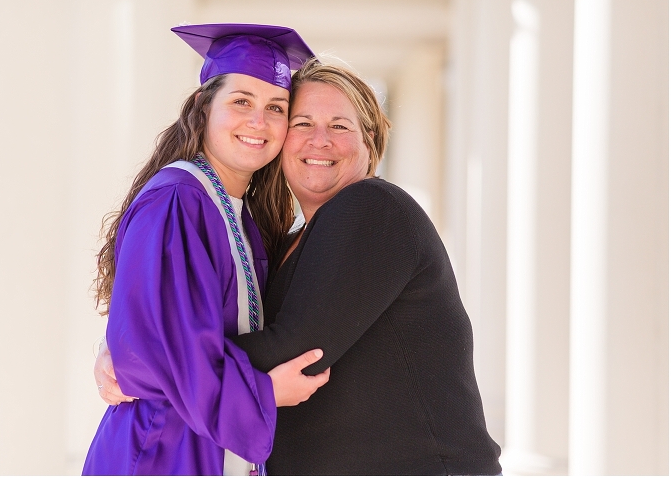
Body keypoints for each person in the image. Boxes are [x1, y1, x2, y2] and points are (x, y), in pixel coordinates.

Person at [97, 57, 502, 475]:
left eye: (340, 126)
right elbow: (217, 323)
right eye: (302, 123)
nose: (319, 140)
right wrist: (131, 344)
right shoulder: (283, 242)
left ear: (371, 142)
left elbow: (295, 346)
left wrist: (149, 360)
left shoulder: (374, 208)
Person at [82, 24, 330, 476]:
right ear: (203, 105)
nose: (259, 121)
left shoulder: (241, 218)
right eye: (241, 101)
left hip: (199, 446)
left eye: (276, 108)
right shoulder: (179, 200)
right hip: (162, 452)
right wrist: (265, 392)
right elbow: (167, 349)